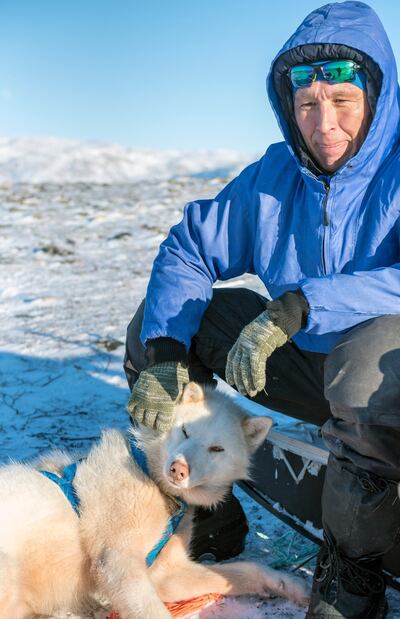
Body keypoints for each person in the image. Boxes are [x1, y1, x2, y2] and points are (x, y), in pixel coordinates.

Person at [124, 2, 400, 617]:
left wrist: (301, 307)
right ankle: (205, 516)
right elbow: (189, 248)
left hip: (386, 381)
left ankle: (352, 574)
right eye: (308, 104)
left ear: (377, 97)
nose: (323, 124)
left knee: (367, 359)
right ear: (288, 105)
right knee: (157, 328)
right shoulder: (276, 175)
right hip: (305, 371)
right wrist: (168, 354)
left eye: (343, 102)